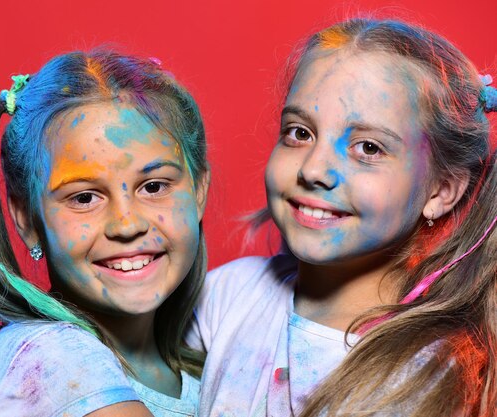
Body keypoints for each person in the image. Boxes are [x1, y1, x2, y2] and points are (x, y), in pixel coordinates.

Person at [187, 18, 497, 417]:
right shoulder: (230, 296)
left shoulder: (440, 374)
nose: (314, 169)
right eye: (300, 133)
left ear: (441, 191)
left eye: (368, 147)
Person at [0, 50, 210, 417]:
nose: (127, 224)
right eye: (84, 197)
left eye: (153, 186)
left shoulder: (209, 371)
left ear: (198, 191)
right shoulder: (52, 356)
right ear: (26, 220)